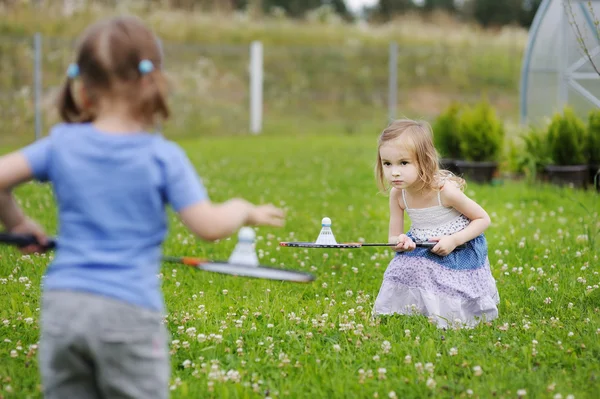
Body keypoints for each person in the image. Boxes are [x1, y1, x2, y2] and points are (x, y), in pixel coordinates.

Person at [0, 16, 285, 399]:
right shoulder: (161, 156)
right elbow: (209, 226)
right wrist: (243, 209)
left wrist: (18, 222)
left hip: (64, 307)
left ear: (82, 88)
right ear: (153, 84)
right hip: (128, 312)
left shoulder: (60, 144)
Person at [372, 119, 499, 329]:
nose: (394, 172)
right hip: (423, 244)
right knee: (398, 269)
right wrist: (401, 241)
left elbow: (482, 219)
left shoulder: (444, 191)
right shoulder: (398, 195)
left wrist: (454, 240)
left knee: (442, 282)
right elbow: (393, 239)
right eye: (387, 163)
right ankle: (413, 310)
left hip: (458, 248)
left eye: (403, 163)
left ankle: (448, 313)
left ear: (424, 161)